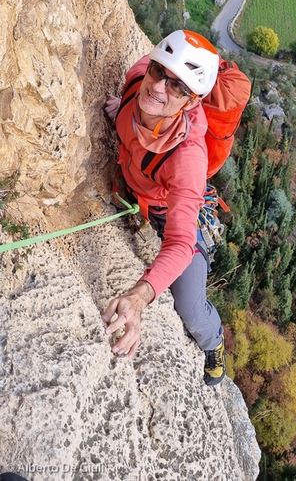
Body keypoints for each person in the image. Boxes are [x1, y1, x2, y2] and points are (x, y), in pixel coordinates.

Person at [102, 30, 226, 386]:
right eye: (159, 72)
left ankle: (213, 341)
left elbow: (179, 244)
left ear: (191, 102)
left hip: (175, 213)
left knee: (188, 305)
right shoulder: (137, 78)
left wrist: (139, 297)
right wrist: (119, 113)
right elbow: (140, 112)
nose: (158, 87)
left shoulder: (187, 159)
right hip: (143, 197)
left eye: (178, 87)